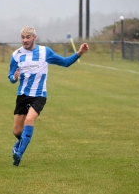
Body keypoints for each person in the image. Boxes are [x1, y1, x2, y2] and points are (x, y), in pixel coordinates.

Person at [8, 26, 89, 166]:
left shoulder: (45, 52)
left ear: (34, 37)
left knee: (29, 120)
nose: (25, 40)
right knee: (17, 131)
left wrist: (79, 53)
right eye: (23, 37)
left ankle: (18, 154)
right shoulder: (16, 54)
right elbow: (10, 76)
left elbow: (65, 62)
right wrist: (14, 78)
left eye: (28, 37)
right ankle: (19, 144)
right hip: (22, 95)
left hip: (39, 95)